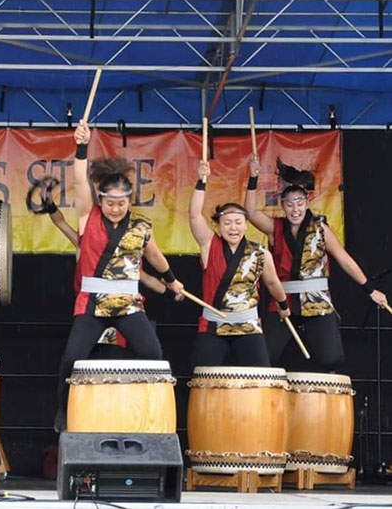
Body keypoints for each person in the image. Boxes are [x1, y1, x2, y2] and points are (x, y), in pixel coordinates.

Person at [54, 121, 185, 432]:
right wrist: (82, 147)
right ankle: (62, 413)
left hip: (128, 302)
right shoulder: (88, 215)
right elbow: (79, 182)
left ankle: (151, 414)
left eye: (121, 203)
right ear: (100, 200)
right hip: (92, 302)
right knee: (72, 358)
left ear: (130, 200)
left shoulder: (141, 226)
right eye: (110, 203)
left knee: (152, 353)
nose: (115, 208)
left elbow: (155, 258)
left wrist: (172, 281)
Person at [244, 157, 389, 371]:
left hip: (317, 301)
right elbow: (249, 212)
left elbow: (344, 259)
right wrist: (253, 177)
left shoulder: (320, 230)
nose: (295, 209)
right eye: (290, 204)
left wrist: (369, 289)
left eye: (299, 203)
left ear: (307, 203)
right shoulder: (274, 229)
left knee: (332, 358)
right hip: (283, 302)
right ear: (282, 205)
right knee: (265, 357)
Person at [37, 192, 167, 357]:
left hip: (122, 312)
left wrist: (169, 286)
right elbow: (61, 222)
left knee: (116, 363)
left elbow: (149, 280)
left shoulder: (127, 261)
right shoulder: (84, 244)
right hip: (92, 310)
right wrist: (51, 207)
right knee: (80, 360)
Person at [188, 163, 290, 366]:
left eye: (238, 222)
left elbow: (273, 283)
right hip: (213, 325)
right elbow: (194, 215)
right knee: (204, 380)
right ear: (218, 225)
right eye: (227, 223)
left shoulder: (260, 253)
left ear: (245, 224)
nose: (233, 227)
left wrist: (284, 305)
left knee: (259, 378)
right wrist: (201, 181)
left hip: (248, 325)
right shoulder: (210, 245)